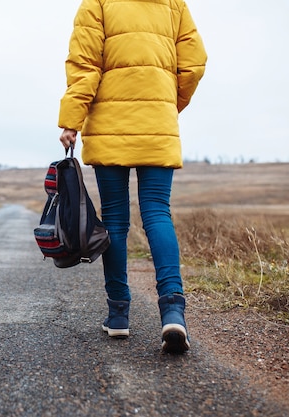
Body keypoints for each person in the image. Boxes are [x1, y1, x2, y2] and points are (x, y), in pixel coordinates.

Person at [58, 0, 207, 353]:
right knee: (157, 212)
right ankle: (173, 312)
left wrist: (71, 119)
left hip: (110, 124)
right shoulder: (173, 4)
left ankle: (119, 315)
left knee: (115, 218)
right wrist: (166, 103)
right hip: (157, 122)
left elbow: (85, 66)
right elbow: (193, 64)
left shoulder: (98, 3)